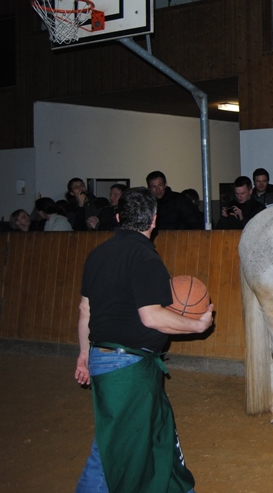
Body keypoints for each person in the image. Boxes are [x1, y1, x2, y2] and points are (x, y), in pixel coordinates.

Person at [74, 186, 213, 492]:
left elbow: (85, 310)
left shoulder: (97, 255)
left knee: (157, 431)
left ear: (119, 217)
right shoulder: (146, 258)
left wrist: (84, 355)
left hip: (108, 359)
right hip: (127, 368)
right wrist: (197, 325)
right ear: (153, 219)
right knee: (111, 452)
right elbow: (151, 317)